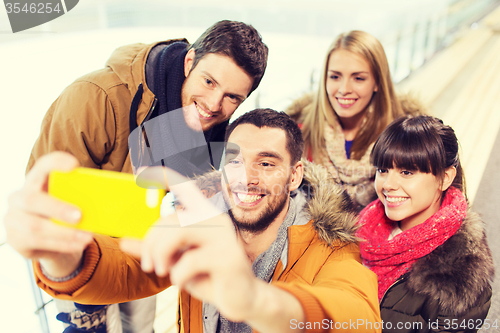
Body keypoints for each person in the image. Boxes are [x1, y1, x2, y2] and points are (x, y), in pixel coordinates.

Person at [6, 109, 382, 333]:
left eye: (266, 163)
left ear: (295, 175)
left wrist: (256, 300)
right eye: (234, 161)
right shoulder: (202, 225)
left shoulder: (331, 246)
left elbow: (358, 318)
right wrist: (63, 254)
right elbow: (125, 266)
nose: (246, 178)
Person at [25, 20, 269, 333]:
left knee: (141, 329)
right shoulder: (95, 98)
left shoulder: (214, 129)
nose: (213, 104)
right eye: (209, 82)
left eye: (233, 97)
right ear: (190, 61)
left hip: (143, 246)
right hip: (80, 250)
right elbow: (50, 194)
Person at [356, 115, 494, 332]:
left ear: (445, 178)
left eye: (406, 172)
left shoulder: (461, 280)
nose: (388, 184)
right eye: (383, 170)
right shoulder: (356, 229)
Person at [286, 30, 423, 210]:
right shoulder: (297, 133)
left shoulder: (409, 139)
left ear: (377, 82)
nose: (344, 89)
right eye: (335, 77)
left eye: (358, 78)